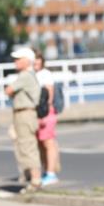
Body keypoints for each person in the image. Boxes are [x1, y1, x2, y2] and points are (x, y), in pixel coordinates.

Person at [5, 46, 42, 192]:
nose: (15, 62)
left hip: (25, 114)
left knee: (27, 146)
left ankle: (35, 180)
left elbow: (9, 90)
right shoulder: (28, 75)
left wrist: (10, 92)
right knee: (24, 145)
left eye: (18, 59)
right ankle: (31, 177)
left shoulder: (25, 75)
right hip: (23, 113)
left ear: (27, 61)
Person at [34, 53, 61, 186]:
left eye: (38, 59)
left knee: (48, 143)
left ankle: (51, 173)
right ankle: (47, 170)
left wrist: (45, 113)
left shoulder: (45, 74)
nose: (35, 62)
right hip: (38, 113)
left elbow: (49, 95)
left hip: (45, 112)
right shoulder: (33, 74)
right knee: (41, 143)